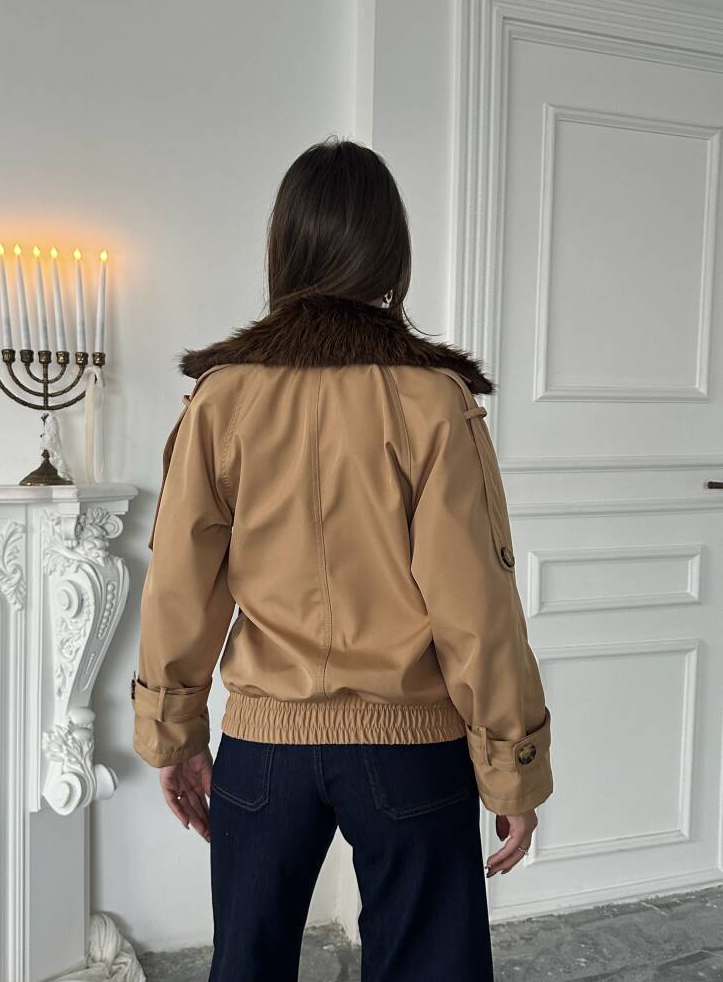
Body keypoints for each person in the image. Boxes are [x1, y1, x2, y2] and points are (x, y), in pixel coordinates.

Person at [132, 136, 553, 982]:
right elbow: (474, 605)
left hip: (264, 747)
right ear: (392, 253)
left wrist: (173, 732)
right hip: (410, 746)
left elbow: (181, 581)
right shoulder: (433, 402)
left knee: (245, 966)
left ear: (284, 248)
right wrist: (511, 768)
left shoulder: (223, 397)